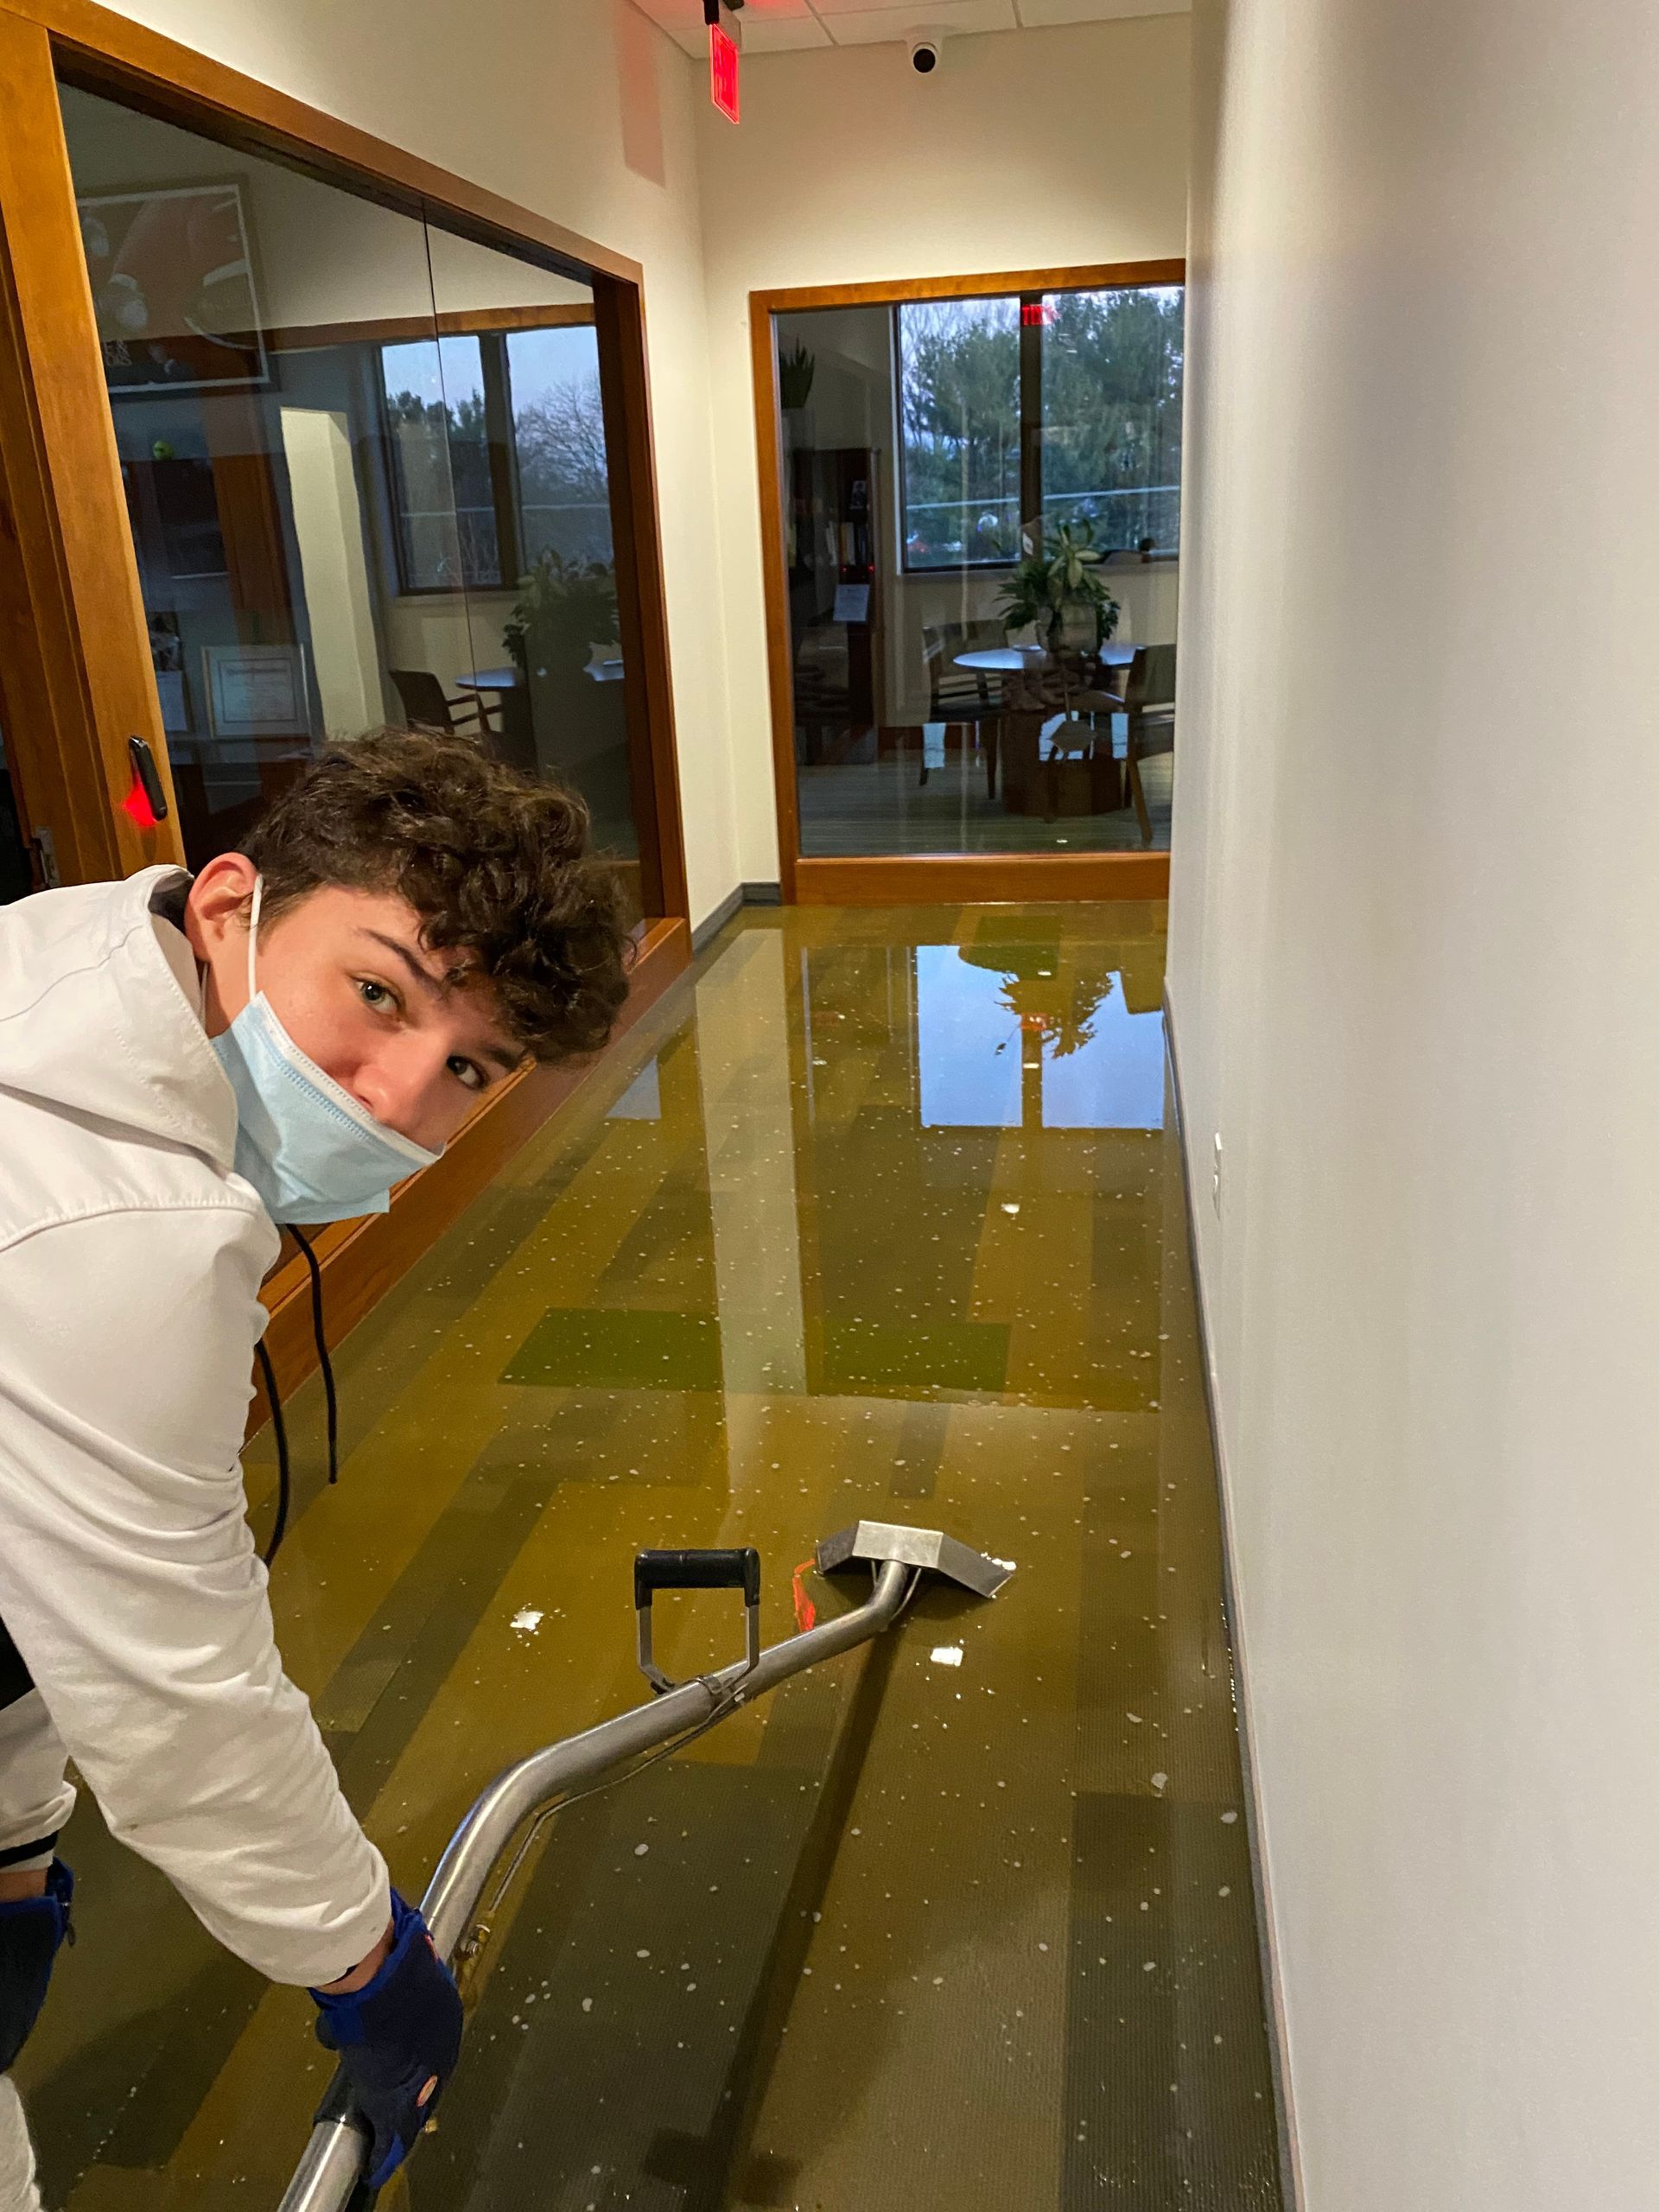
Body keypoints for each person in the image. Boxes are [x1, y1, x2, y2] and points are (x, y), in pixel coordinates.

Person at [0, 728, 631, 2208]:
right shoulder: (113, 1231)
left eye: (466, 1066)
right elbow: (180, 1698)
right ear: (236, 903)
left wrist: (14, 1843)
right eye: (379, 993)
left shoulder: (67, 951)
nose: (396, 1098)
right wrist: (364, 1961)